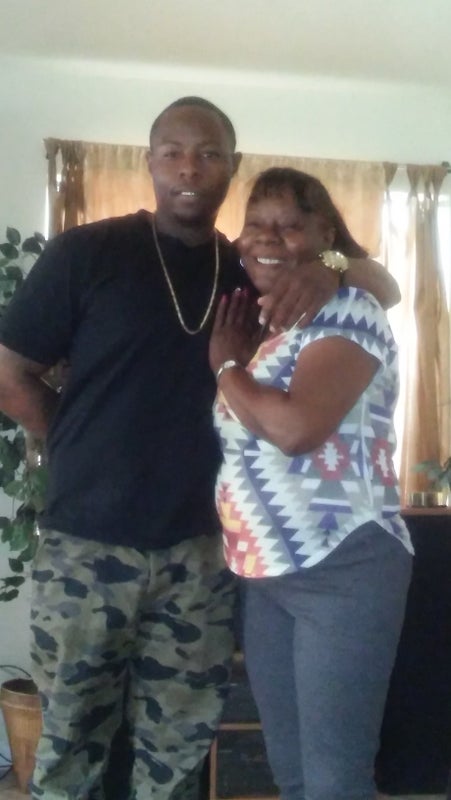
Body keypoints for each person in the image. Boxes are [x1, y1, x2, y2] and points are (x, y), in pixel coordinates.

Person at [0, 98, 399, 800]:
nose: (189, 168)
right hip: (87, 548)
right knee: (69, 748)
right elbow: (10, 374)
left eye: (209, 154)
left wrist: (333, 267)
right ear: (150, 162)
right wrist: (78, 443)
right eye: (173, 152)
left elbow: (383, 286)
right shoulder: (87, 252)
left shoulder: (246, 268)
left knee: (177, 754)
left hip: (203, 555)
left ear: (230, 167)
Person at [209, 167, 413, 800]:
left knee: (334, 783)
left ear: (326, 235)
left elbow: (296, 430)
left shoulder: (349, 308)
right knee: (293, 776)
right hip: (265, 573)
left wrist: (225, 366)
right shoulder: (265, 324)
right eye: (256, 224)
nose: (269, 238)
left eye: (290, 225)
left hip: (341, 566)